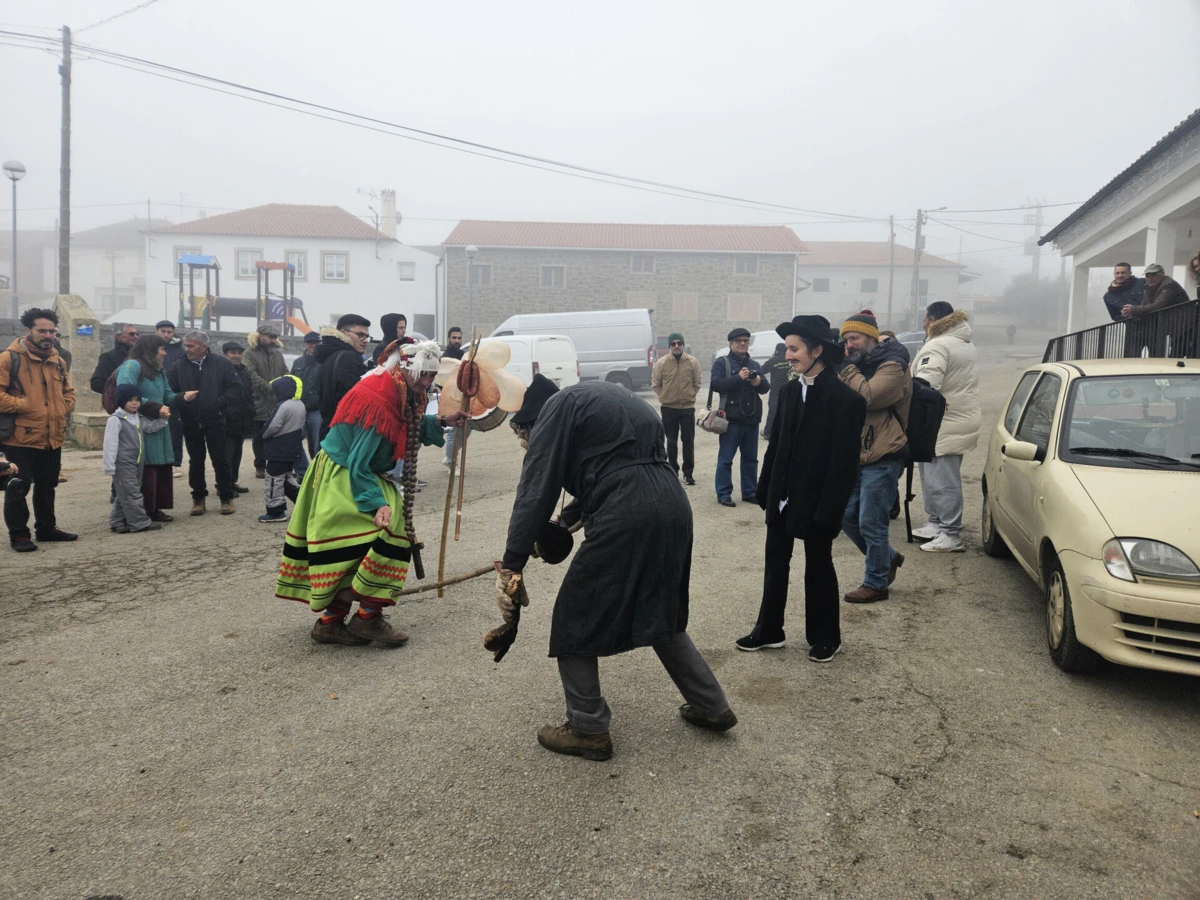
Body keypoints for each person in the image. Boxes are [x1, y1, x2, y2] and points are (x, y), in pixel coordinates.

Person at [496, 375, 736, 761]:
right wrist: (566, 521)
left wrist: (512, 563)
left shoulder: (556, 410)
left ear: (533, 420)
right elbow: (623, 466)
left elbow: (536, 487)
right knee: (662, 609)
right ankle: (712, 705)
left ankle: (587, 728)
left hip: (626, 512)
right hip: (671, 503)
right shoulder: (612, 397)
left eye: (524, 435)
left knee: (574, 615)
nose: (526, 442)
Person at [275, 341, 469, 645]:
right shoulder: (378, 397)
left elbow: (408, 425)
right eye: (424, 374)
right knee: (386, 535)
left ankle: (333, 621)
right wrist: (375, 502)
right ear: (405, 366)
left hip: (358, 468)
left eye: (433, 375)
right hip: (344, 472)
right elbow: (358, 460)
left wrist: (443, 421)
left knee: (368, 544)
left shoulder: (404, 389)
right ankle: (364, 619)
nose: (428, 382)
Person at [737, 316, 865, 661]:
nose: (788, 355)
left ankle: (825, 636)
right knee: (775, 561)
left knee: (818, 565)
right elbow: (776, 445)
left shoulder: (845, 400)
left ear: (817, 350)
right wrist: (766, 490)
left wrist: (830, 512)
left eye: (794, 349)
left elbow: (844, 465)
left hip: (817, 501)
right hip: (781, 496)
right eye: (788, 348)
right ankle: (769, 630)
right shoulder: (790, 391)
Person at [838, 310, 911, 603]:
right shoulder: (863, 364)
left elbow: (868, 397)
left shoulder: (894, 365)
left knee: (871, 521)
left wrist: (845, 369)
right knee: (846, 517)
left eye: (854, 338)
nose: (849, 345)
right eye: (845, 340)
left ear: (870, 337)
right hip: (860, 453)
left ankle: (876, 583)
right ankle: (888, 558)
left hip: (885, 452)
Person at [0, 308, 77, 552]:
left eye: (51, 331)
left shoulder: (58, 360)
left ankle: (46, 528)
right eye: (42, 330)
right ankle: (19, 535)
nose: (47, 335)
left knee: (48, 485)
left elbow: (69, 393)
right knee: (18, 487)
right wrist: (24, 404)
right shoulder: (8, 359)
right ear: (28, 331)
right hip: (20, 438)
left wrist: (63, 407)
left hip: (52, 436)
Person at [910, 302, 980, 553]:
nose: (923, 325)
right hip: (951, 418)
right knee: (931, 474)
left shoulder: (939, 344)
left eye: (925, 319)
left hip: (943, 421)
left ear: (933, 319)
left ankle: (951, 534)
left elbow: (926, 383)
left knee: (943, 480)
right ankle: (936, 523)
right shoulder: (961, 341)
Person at [167, 330, 241, 516]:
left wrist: (218, 404)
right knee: (196, 461)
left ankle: (226, 497)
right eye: (186, 345)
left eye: (191, 346)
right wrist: (182, 399)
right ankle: (198, 499)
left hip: (216, 420)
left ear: (203, 347)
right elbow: (170, 392)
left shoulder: (221, 364)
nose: (187, 349)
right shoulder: (178, 366)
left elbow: (236, 388)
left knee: (221, 460)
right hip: (190, 421)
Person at [115, 335, 179, 522]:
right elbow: (124, 392)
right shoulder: (131, 366)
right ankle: (140, 511)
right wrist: (154, 406)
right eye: (162, 349)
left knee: (158, 465)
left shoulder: (158, 370)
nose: (165, 353)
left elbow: (167, 395)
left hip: (158, 424)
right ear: (151, 350)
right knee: (145, 467)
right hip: (138, 425)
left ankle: (154, 507)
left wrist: (183, 398)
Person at [710, 327, 769, 506]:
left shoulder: (755, 365)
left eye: (745, 341)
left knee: (751, 459)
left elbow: (765, 388)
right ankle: (724, 494)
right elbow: (715, 384)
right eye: (738, 341)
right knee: (726, 459)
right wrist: (738, 378)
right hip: (731, 419)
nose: (742, 344)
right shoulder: (723, 363)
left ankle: (750, 492)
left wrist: (758, 381)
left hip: (752, 419)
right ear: (731, 343)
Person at [103, 384, 169, 534]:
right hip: (123, 462)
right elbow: (110, 444)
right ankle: (139, 522)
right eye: (130, 400)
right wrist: (109, 466)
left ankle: (117, 522)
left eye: (137, 400)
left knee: (125, 492)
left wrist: (163, 419)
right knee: (132, 493)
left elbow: (151, 427)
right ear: (121, 401)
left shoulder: (137, 417)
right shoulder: (116, 419)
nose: (134, 403)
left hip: (137, 461)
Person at [651, 331, 701, 485]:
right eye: (673, 344)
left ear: (683, 345)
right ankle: (673, 471)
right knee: (671, 442)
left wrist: (690, 394)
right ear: (670, 346)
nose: (677, 346)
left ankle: (688, 472)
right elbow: (656, 384)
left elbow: (697, 383)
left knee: (688, 441)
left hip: (687, 408)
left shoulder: (692, 362)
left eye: (679, 343)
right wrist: (664, 397)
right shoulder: (661, 363)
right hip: (669, 408)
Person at [315, 314, 372, 440]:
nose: (365, 340)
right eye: (360, 335)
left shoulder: (331, 355)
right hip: (343, 434)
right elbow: (356, 401)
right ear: (343, 333)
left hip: (329, 430)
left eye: (367, 336)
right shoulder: (348, 358)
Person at [259, 375, 306, 524]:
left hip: (279, 448)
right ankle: (304, 502)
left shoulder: (284, 405)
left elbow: (274, 425)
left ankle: (275, 511)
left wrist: (263, 435)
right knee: (286, 477)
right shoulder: (299, 404)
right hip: (293, 447)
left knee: (273, 478)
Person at [243, 324, 287, 479]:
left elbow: (285, 373)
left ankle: (275, 463)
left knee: (277, 434)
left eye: (275, 337)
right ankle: (260, 466)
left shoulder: (278, 355)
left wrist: (285, 386)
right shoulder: (249, 354)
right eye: (271, 337)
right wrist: (269, 387)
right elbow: (250, 374)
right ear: (260, 336)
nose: (274, 340)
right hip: (259, 401)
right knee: (259, 436)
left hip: (276, 402)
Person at [221, 341, 258, 493]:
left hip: (242, 419)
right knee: (226, 455)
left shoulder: (244, 371)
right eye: (232, 352)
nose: (236, 355)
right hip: (226, 420)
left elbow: (248, 395)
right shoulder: (221, 371)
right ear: (225, 354)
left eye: (239, 352)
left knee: (237, 454)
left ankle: (232, 482)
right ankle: (224, 485)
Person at [156, 320, 187, 476]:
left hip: (173, 395)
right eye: (163, 331)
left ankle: (176, 463)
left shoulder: (180, 349)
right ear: (157, 332)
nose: (166, 334)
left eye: (169, 332)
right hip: (155, 395)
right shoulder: (151, 348)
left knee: (175, 430)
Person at [291, 331, 323, 457]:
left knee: (318, 446)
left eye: (317, 342)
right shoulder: (297, 362)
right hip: (299, 409)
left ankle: (317, 474)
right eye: (311, 342)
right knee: (293, 442)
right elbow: (291, 382)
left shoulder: (325, 362)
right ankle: (302, 472)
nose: (314, 345)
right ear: (305, 344)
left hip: (317, 410)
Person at [89, 322, 139, 394]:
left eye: (137, 334)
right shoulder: (108, 357)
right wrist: (120, 392)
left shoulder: (140, 356)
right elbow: (96, 383)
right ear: (119, 336)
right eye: (131, 334)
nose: (135, 337)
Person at [441, 328, 466, 470]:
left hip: (463, 396)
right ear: (448, 339)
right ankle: (451, 461)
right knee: (455, 430)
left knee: (467, 429)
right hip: (451, 398)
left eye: (459, 338)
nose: (457, 341)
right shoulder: (445, 358)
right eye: (454, 338)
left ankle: (450, 455)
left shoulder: (463, 356)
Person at [761, 341, 791, 439]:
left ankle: (768, 433)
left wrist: (773, 358)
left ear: (776, 350)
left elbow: (761, 371)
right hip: (789, 390)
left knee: (773, 412)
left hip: (776, 390)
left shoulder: (773, 360)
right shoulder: (790, 359)